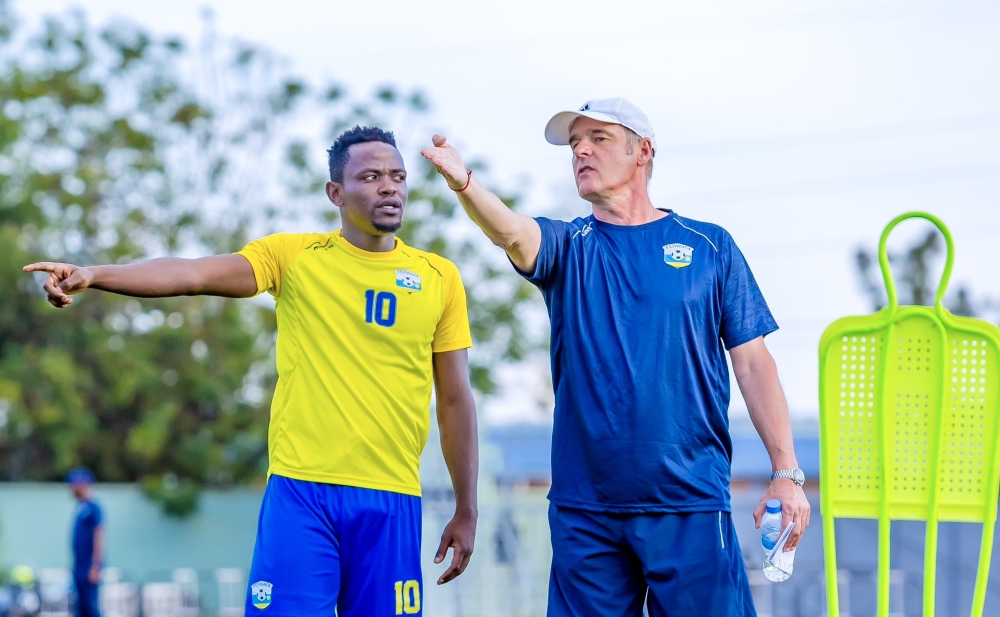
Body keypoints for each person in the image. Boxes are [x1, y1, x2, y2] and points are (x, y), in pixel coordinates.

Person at [26, 126, 479, 616]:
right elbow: (191, 273)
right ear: (335, 192)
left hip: (392, 502)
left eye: (398, 176)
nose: (389, 187)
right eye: (370, 176)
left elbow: (455, 401)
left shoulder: (440, 278)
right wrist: (94, 275)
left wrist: (466, 508)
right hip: (302, 493)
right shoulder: (294, 258)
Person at [421, 98, 810, 616]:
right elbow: (512, 231)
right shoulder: (569, 246)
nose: (580, 150)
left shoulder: (710, 247)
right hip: (587, 513)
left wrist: (787, 472)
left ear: (642, 151)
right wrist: (464, 183)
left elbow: (754, 363)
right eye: (574, 144)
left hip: (690, 503)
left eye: (598, 138)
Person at [67, 467, 103, 617]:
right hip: (79, 565)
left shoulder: (94, 508)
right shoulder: (80, 507)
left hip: (89, 567)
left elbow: (99, 535)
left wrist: (95, 566)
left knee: (90, 606)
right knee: (79, 607)